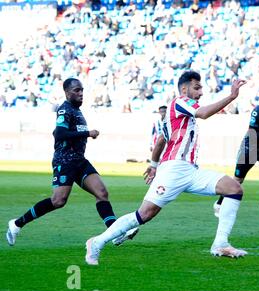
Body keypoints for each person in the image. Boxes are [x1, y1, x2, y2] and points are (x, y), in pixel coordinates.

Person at [85, 71, 247, 265]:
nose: (201, 92)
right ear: (184, 88)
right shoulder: (180, 101)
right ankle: (97, 242)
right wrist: (231, 96)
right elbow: (203, 113)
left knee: (234, 188)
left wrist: (153, 165)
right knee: (144, 214)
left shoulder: (178, 113)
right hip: (173, 170)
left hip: (191, 171)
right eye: (197, 88)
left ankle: (220, 243)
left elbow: (161, 140)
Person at [5, 78, 138, 246]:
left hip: (79, 161)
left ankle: (115, 231)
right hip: (65, 161)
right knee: (58, 201)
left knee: (102, 193)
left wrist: (85, 134)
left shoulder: (77, 111)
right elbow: (60, 134)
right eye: (76, 90)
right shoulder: (65, 110)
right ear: (67, 93)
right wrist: (88, 133)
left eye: (82, 90)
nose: (81, 93)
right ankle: (17, 224)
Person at [213, 86, 259, 217]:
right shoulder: (258, 111)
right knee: (237, 181)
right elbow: (252, 133)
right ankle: (218, 204)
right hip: (250, 148)